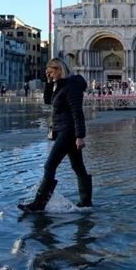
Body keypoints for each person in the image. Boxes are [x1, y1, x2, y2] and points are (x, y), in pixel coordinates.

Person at [18, 58, 92, 212]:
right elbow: (47, 101)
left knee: (49, 165)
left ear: (59, 69)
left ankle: (39, 204)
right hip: (63, 130)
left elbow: (77, 112)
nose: (50, 75)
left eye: (51, 72)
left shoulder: (71, 86)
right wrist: (49, 82)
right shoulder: (61, 85)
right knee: (78, 167)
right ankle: (86, 203)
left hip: (68, 131)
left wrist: (80, 136)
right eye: (48, 74)